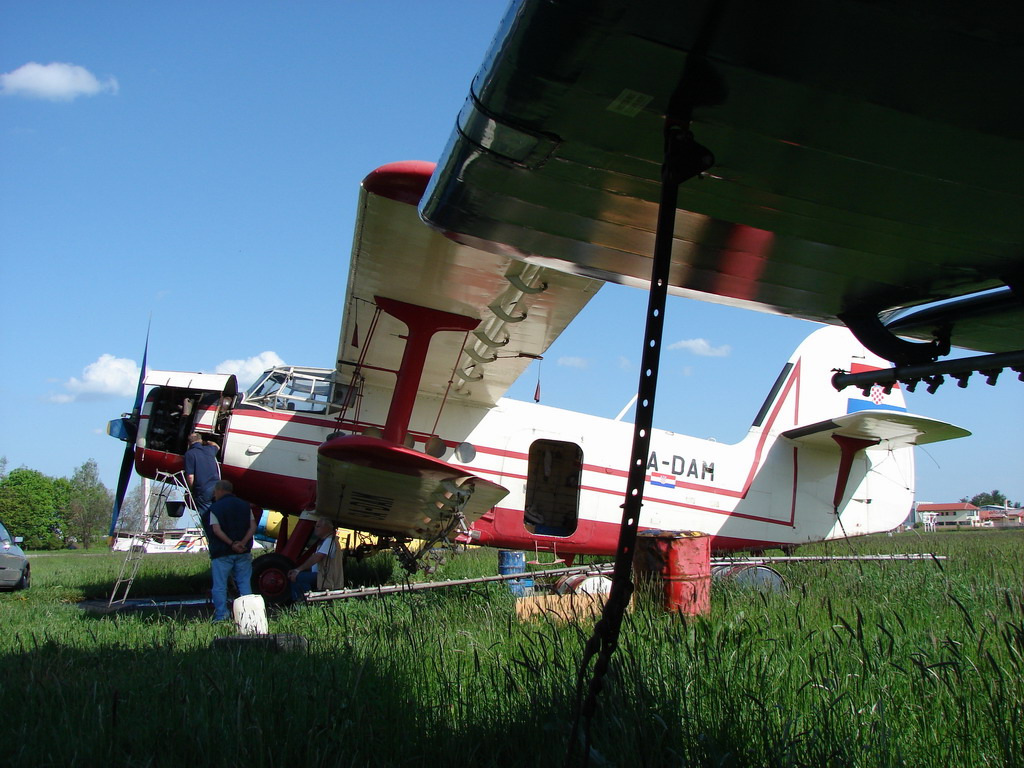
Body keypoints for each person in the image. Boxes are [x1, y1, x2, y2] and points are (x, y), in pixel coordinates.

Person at [207, 479, 257, 621]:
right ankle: (248, 615)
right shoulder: (245, 506)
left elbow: (216, 530)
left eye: (215, 492)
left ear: (220, 490)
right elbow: (252, 526)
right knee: (244, 583)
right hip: (243, 551)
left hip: (222, 553)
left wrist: (231, 544)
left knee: (220, 586)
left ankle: (222, 615)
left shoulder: (215, 508)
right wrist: (242, 543)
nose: (214, 494)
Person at [287, 517, 344, 602]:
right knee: (299, 576)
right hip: (322, 574)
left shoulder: (329, 541)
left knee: (299, 578)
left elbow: (317, 557)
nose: (315, 528)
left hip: (326, 577)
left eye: (318, 526)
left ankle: (304, 602)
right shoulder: (327, 541)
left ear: (327, 528)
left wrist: (298, 570)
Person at [184, 432, 220, 527]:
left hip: (203, 489)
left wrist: (191, 490)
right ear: (200, 441)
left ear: (189, 443)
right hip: (217, 487)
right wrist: (206, 442)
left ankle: (212, 535)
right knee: (219, 513)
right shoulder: (209, 450)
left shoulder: (189, 454)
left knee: (207, 517)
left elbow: (190, 476)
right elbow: (216, 446)